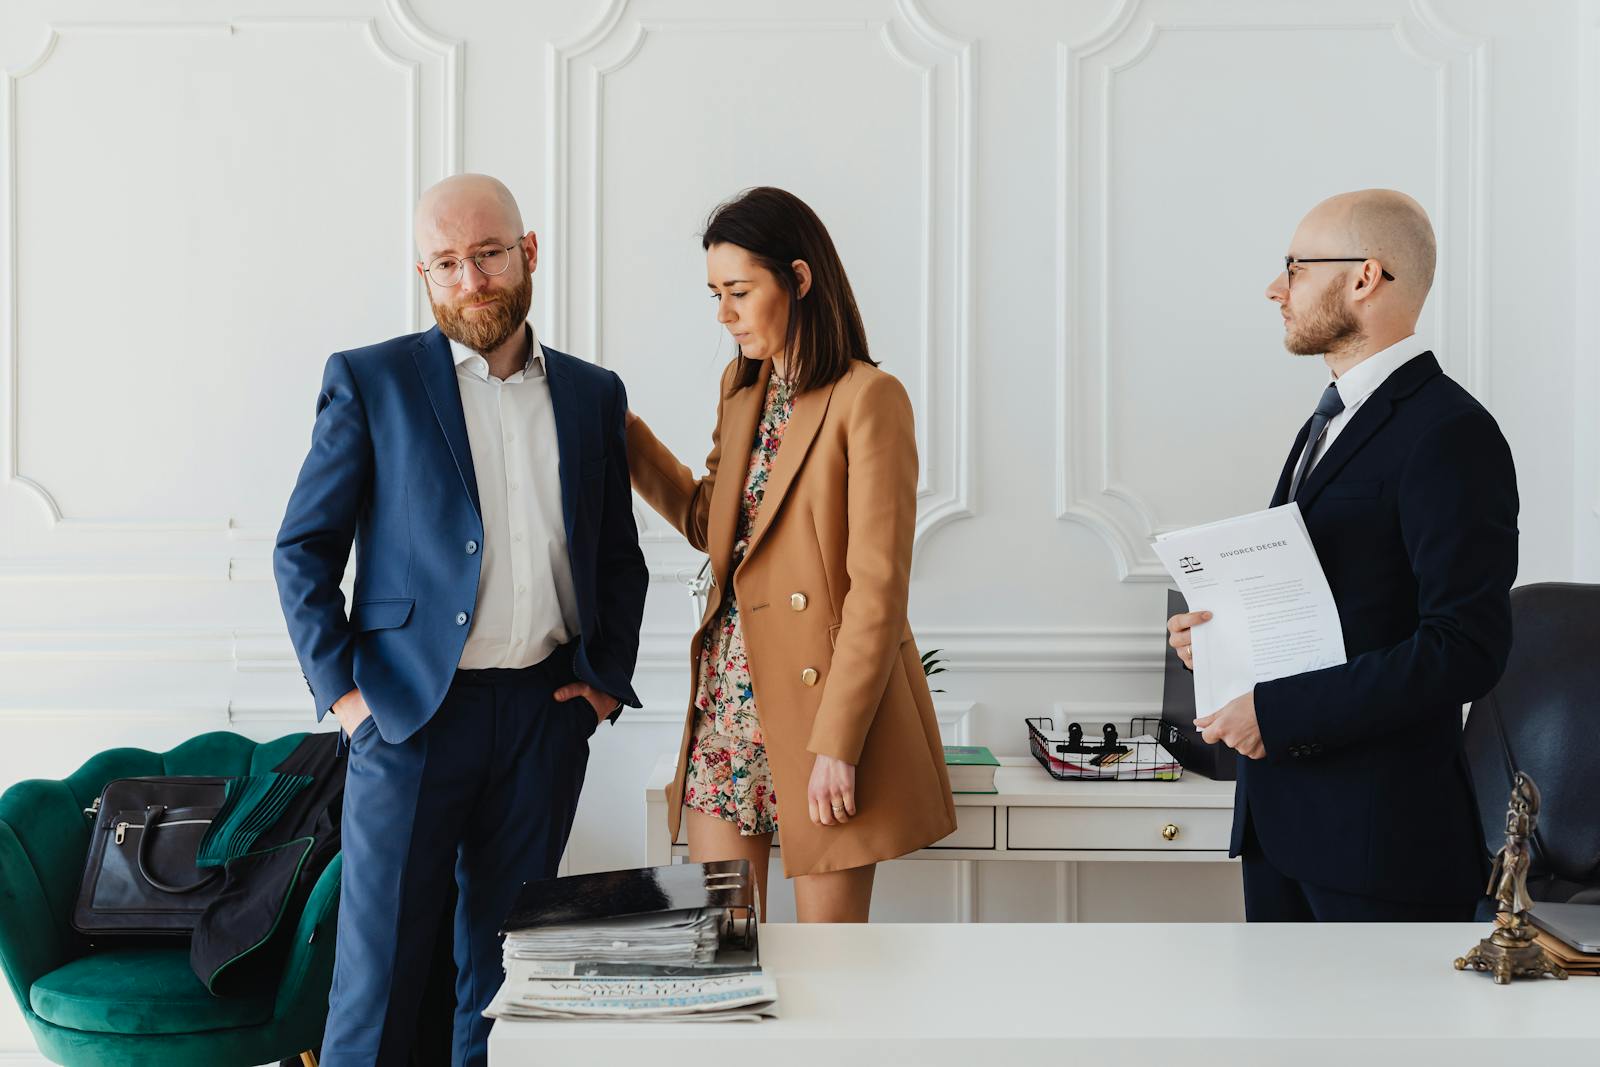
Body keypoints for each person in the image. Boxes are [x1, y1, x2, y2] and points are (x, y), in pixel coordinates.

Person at [273, 173, 648, 1065]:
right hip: (408, 720)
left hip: (541, 716)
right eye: (445, 264)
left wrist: (598, 689)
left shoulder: (594, 395)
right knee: (379, 978)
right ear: (424, 274)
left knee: (509, 977)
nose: (470, 280)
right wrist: (349, 700)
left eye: (485, 254)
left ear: (527, 252)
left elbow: (617, 558)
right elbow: (302, 551)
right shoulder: (372, 381)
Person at [1167, 189, 1518, 922]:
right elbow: (1344, 607)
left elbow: (1466, 647)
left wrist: (1279, 711)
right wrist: (1223, 635)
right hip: (1282, 827)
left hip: (1378, 845)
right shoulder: (1329, 417)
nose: (1275, 288)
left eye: (1293, 267)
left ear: (1365, 277)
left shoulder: (1451, 431)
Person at [625, 186, 956, 922]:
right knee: (721, 954)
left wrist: (837, 743)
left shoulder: (870, 398)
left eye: (740, 291)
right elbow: (713, 523)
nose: (724, 314)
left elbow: (876, 590)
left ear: (799, 280)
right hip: (727, 706)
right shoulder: (742, 391)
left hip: (819, 721)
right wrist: (625, 437)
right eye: (716, 294)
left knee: (829, 976)